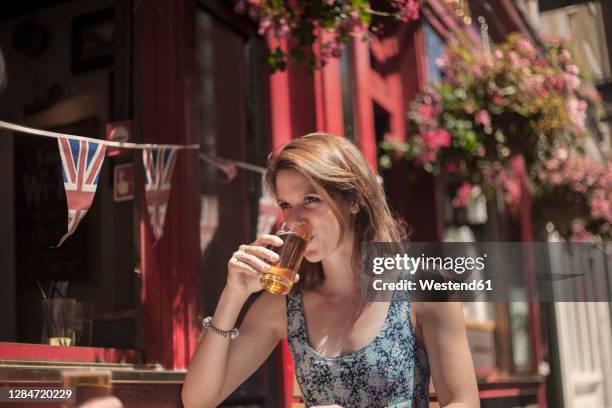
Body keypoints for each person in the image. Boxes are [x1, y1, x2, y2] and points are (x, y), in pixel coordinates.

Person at [182, 133, 479, 408]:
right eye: (286, 204)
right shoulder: (285, 304)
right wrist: (232, 296)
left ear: (353, 200)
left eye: (310, 200)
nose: (294, 219)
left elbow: (464, 402)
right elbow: (198, 401)